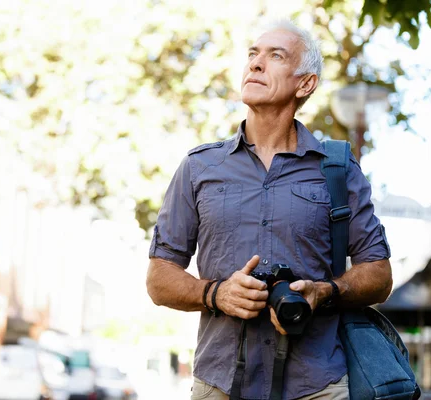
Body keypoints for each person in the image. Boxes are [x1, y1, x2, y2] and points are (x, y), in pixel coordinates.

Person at [145, 18, 393, 400]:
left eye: (275, 56)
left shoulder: (338, 169)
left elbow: (379, 274)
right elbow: (159, 278)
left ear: (305, 83)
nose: (255, 64)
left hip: (317, 385)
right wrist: (216, 293)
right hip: (220, 383)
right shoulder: (199, 167)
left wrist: (323, 291)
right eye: (252, 55)